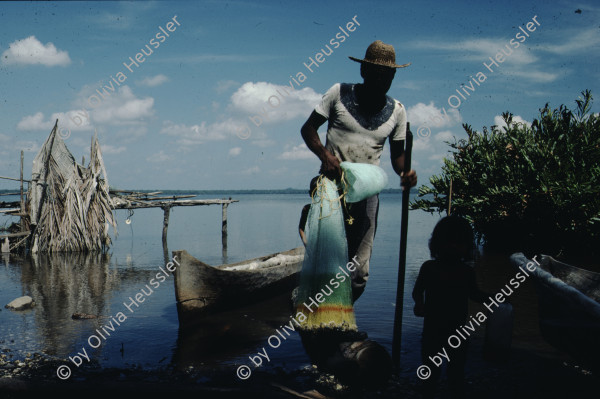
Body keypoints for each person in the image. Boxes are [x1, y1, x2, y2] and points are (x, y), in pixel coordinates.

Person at [301, 40, 417, 302]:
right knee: (327, 264)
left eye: (387, 75)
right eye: (376, 73)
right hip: (331, 188)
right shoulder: (338, 93)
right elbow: (308, 129)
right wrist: (325, 155)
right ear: (363, 72)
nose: (381, 80)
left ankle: (342, 318)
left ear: (393, 76)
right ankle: (323, 322)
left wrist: (405, 172)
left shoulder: (397, 111)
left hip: (367, 194)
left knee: (358, 270)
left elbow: (398, 157)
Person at [412, 216, 488, 398]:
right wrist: (419, 304)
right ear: (438, 245)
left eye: (459, 243)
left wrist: (496, 299)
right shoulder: (429, 268)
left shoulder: (466, 271)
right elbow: (417, 291)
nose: (454, 247)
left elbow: (475, 295)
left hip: (459, 329)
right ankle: (428, 390)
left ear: (466, 247)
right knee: (430, 368)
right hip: (433, 328)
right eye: (449, 242)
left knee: (457, 370)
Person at [298, 176, 319, 247]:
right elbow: (301, 229)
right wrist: (307, 245)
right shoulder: (307, 209)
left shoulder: (334, 209)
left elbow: (301, 229)